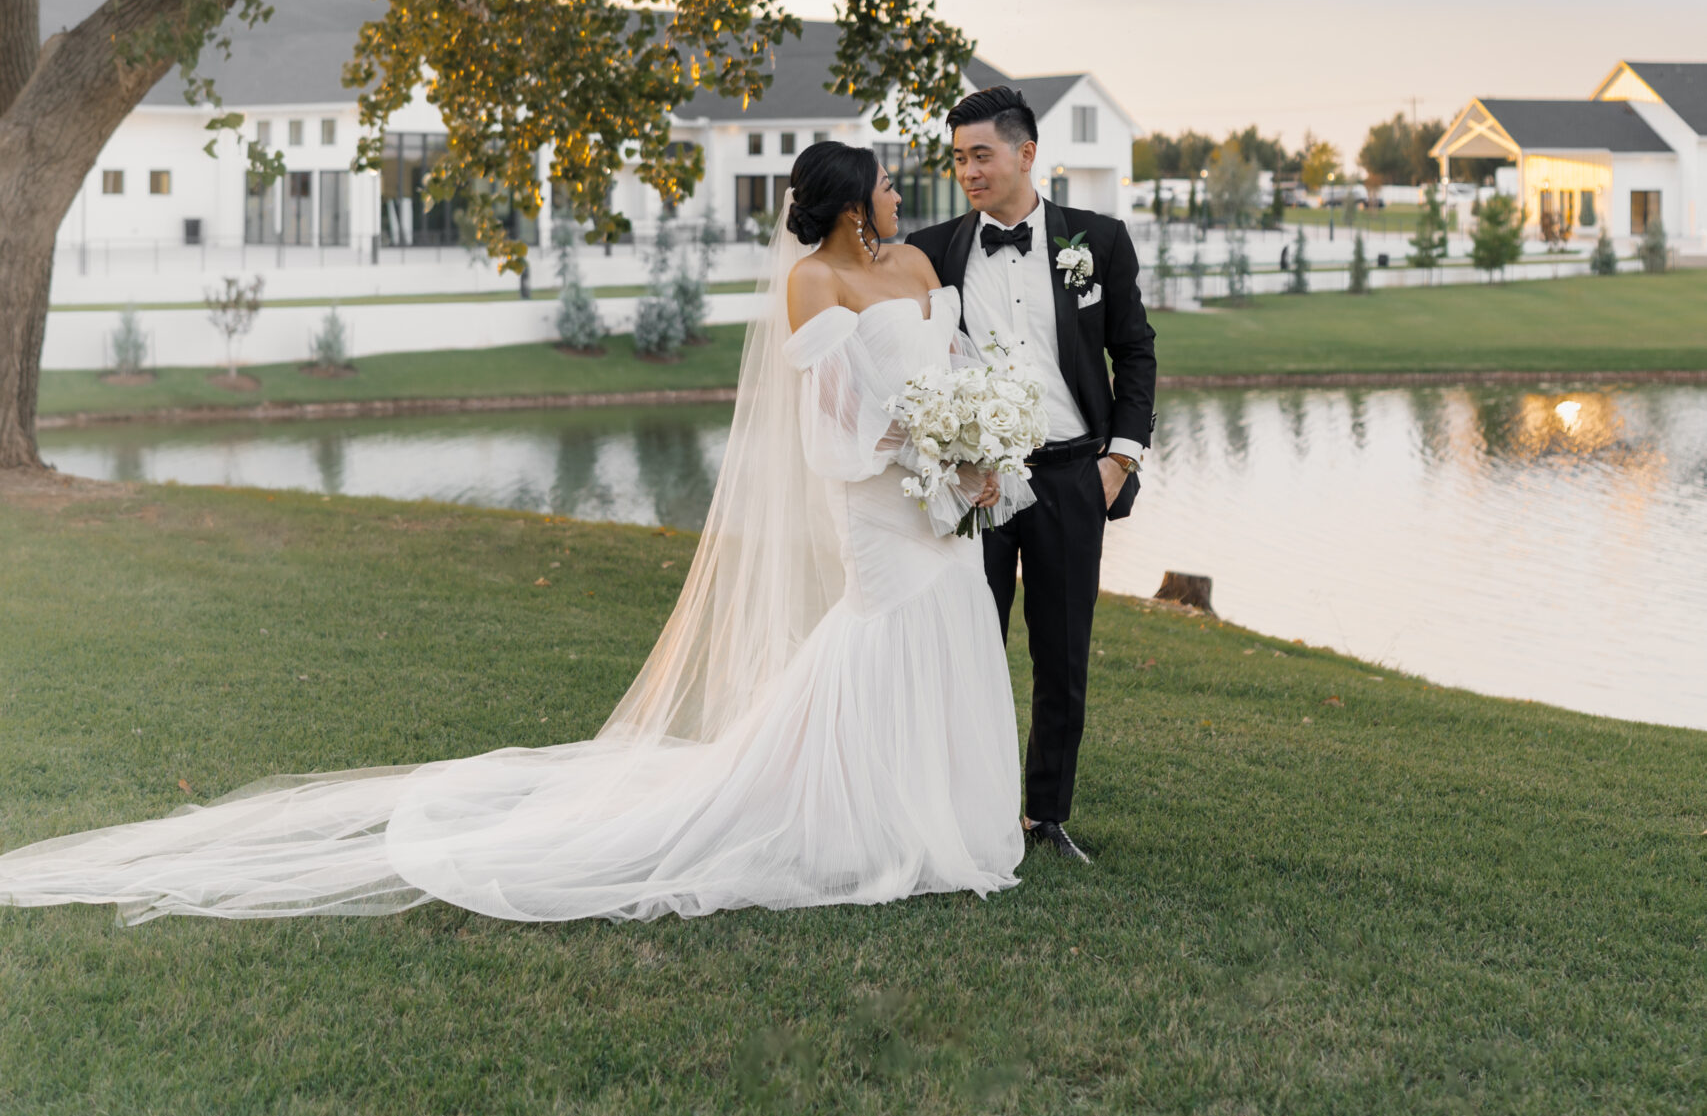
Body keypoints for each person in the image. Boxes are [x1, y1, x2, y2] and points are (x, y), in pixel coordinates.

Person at [0, 145, 1022, 926]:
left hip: (948, 497)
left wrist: (976, 450)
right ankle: (856, 816)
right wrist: (920, 446)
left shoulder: (922, 272)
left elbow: (960, 367)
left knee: (955, 621)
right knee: (881, 626)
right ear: (850, 206)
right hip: (882, 501)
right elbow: (830, 422)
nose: (901, 196)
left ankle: (940, 812)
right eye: (886, 186)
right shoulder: (815, 282)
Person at [908, 87, 1157, 863]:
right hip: (975, 486)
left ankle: (1044, 818)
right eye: (957, 159)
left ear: (1024, 154)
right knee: (967, 651)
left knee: (1062, 657)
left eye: (981, 155)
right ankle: (959, 812)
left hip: (1070, 478)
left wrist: (1118, 460)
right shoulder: (933, 249)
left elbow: (1136, 351)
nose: (968, 172)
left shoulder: (1100, 240)